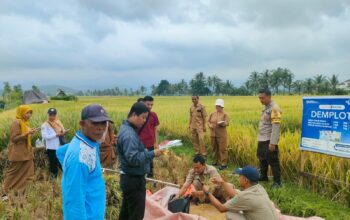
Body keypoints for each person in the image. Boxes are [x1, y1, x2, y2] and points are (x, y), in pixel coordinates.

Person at [56, 104, 113, 220]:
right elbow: (74, 202)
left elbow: (60, 152)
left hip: (94, 212)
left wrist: (85, 173)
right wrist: (74, 170)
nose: (100, 128)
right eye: (95, 123)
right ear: (82, 124)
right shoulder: (80, 157)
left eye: (103, 123)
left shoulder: (89, 142)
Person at [117, 102, 163, 220]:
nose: (144, 121)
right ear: (133, 115)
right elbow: (133, 158)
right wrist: (152, 153)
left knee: (126, 213)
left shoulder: (126, 129)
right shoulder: (129, 135)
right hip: (133, 180)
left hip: (128, 178)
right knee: (136, 215)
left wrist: (145, 150)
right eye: (142, 117)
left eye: (145, 118)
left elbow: (133, 153)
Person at [203, 166, 279, 220]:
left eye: (240, 176)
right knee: (239, 193)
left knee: (230, 214)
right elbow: (237, 195)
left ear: (246, 180)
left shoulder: (245, 197)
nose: (239, 178)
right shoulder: (259, 188)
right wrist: (222, 182)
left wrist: (208, 193)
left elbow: (222, 208)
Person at [3, 105, 38, 196]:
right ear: (21, 112)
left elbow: (26, 137)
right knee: (14, 172)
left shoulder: (25, 123)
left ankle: (20, 190)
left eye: (30, 113)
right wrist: (26, 134)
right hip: (18, 152)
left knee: (27, 171)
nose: (29, 115)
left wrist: (31, 133)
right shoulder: (16, 123)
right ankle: (6, 190)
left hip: (26, 152)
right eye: (27, 112)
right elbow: (13, 138)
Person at [257, 88, 282, 188]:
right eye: (259, 98)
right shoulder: (266, 107)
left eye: (262, 98)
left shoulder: (275, 108)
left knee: (273, 161)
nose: (260, 100)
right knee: (262, 158)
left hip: (269, 140)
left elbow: (276, 127)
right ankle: (264, 176)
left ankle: (277, 182)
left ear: (269, 96)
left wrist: (273, 143)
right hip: (262, 139)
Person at [41, 108, 67, 178]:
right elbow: (45, 136)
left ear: (56, 115)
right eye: (50, 115)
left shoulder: (58, 122)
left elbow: (62, 130)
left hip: (60, 146)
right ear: (48, 115)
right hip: (51, 147)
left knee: (61, 161)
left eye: (53, 115)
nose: (52, 116)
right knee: (53, 164)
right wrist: (56, 135)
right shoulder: (45, 125)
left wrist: (64, 132)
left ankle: (64, 176)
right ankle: (53, 178)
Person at [138, 95, 160, 178]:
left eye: (152, 105)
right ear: (143, 103)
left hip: (150, 144)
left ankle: (151, 181)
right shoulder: (138, 115)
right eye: (148, 104)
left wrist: (156, 143)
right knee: (140, 163)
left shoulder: (153, 115)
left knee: (150, 164)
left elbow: (156, 129)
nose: (150, 106)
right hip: (140, 144)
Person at [208, 99, 230, 170]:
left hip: (221, 135)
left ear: (222, 107)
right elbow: (208, 122)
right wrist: (210, 125)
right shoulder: (212, 114)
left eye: (219, 106)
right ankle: (215, 162)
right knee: (214, 148)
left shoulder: (225, 114)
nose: (217, 107)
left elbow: (227, 123)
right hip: (213, 134)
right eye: (217, 106)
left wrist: (223, 123)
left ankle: (224, 164)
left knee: (223, 149)